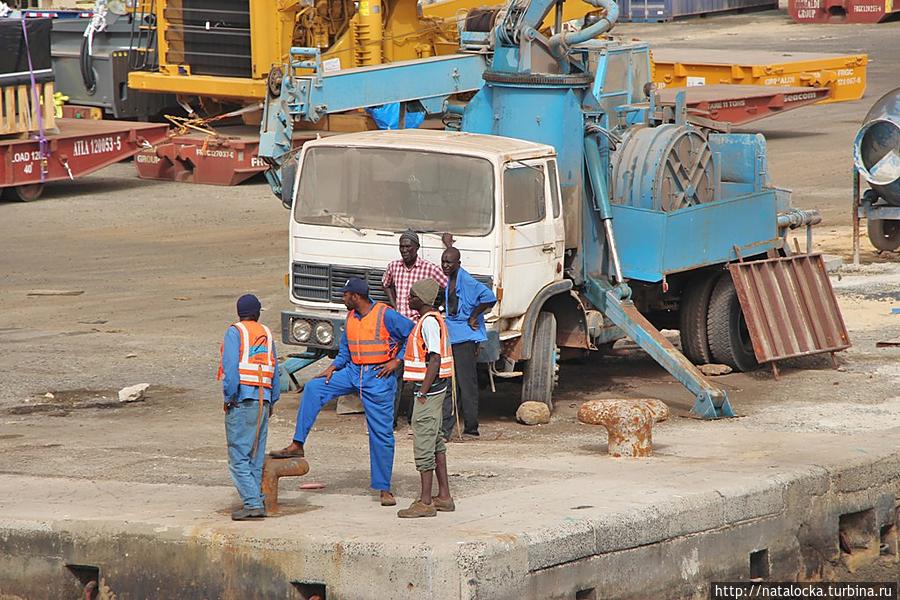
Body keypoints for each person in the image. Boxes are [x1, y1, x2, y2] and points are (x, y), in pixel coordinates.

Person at [270, 277, 413, 507]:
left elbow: (412, 334)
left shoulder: (385, 315)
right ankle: (297, 444)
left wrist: (397, 361)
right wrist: (333, 367)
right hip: (353, 371)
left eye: (345, 294)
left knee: (381, 434)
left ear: (355, 296)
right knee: (315, 388)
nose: (342, 297)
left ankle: (383, 487)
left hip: (378, 378)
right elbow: (346, 350)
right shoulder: (351, 316)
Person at [396, 278, 456, 518]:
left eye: (412, 296)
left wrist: (421, 392)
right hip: (435, 390)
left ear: (422, 299)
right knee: (436, 442)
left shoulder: (428, 322)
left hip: (428, 391)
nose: (408, 299)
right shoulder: (432, 320)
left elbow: (434, 358)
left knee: (423, 444)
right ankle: (443, 496)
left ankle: (425, 502)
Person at [218, 294, 280, 521]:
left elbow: (231, 370)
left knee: (238, 457)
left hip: (242, 401)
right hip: (264, 401)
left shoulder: (235, 332)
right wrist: (272, 401)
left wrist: (228, 398)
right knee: (255, 455)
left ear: (239, 312)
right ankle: (256, 499)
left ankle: (253, 503)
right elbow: (276, 369)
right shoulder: (266, 333)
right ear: (258, 312)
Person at [382, 229, 449, 427]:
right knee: (395, 375)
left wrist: (439, 308)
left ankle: (415, 418)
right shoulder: (394, 266)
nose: (404, 250)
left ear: (417, 248)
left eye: (408, 247)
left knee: (418, 373)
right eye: (401, 246)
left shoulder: (429, 268)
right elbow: (386, 283)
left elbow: (447, 286)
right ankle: (391, 421)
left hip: (417, 327)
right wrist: (394, 306)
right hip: (397, 329)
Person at [441, 247, 497, 439]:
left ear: (458, 264)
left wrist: (474, 315)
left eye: (449, 263)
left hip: (465, 336)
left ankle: (471, 427)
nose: (445, 266)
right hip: (451, 333)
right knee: (449, 384)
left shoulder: (467, 280)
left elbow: (490, 298)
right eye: (443, 262)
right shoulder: (449, 279)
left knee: (466, 384)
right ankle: (446, 428)